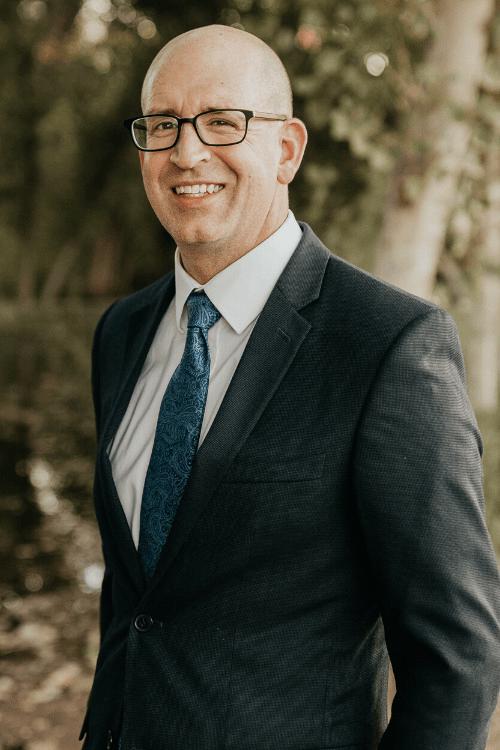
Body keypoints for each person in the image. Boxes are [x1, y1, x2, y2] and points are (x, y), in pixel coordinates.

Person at [79, 24, 500, 750]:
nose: (186, 152)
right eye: (163, 124)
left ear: (286, 149)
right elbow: (138, 596)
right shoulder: (123, 331)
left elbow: (458, 662)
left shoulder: (388, 344)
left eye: (221, 121)